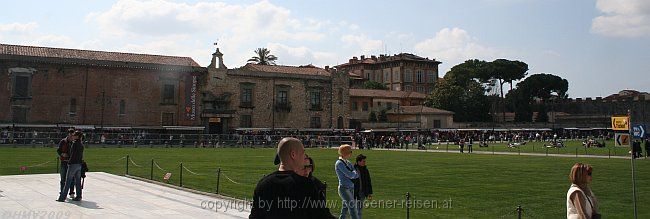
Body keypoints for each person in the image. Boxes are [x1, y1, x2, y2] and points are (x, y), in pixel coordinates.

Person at [250, 137, 331, 219]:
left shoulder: (262, 184)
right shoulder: (305, 184)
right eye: (303, 153)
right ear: (293, 155)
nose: (304, 158)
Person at [300, 155, 336, 219]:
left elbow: (323, 212)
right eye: (303, 167)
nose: (306, 170)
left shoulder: (316, 185)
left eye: (308, 167)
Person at [57, 131, 84, 202]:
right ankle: (79, 196)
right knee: (78, 182)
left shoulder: (74, 144)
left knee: (67, 181)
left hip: (73, 164)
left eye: (74, 135)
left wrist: (69, 162)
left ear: (77, 136)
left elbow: (72, 154)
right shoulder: (81, 144)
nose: (73, 136)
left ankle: (62, 198)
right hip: (79, 164)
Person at [335, 144, 359, 219]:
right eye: (350, 151)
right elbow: (351, 175)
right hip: (344, 188)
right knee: (352, 207)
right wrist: (353, 174)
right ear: (346, 152)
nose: (351, 153)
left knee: (345, 207)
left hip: (351, 187)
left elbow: (355, 173)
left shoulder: (348, 162)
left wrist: (353, 174)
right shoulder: (339, 163)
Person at [56, 129, 77, 199]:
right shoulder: (63, 141)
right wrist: (62, 154)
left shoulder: (74, 142)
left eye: (73, 135)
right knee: (63, 178)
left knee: (72, 178)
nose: (72, 137)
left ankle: (71, 193)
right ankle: (62, 192)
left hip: (71, 163)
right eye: (71, 135)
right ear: (68, 134)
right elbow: (58, 150)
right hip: (64, 162)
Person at [353, 154, 373, 219]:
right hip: (354, 193)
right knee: (354, 210)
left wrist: (369, 193)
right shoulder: (353, 169)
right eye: (363, 161)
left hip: (362, 193)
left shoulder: (365, 170)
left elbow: (368, 182)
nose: (365, 162)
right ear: (359, 162)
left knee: (359, 210)